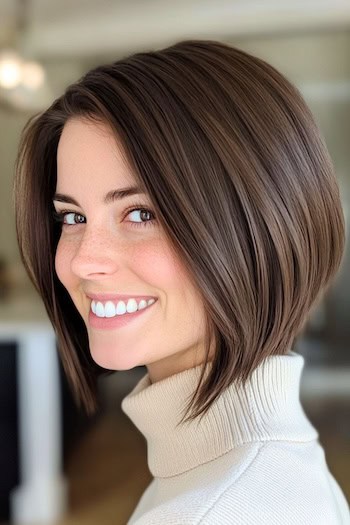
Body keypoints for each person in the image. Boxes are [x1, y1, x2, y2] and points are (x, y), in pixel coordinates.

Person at [14, 39, 349, 524]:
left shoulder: (214, 510)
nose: (85, 261)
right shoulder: (257, 465)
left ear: (258, 226)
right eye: (72, 217)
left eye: (139, 212)